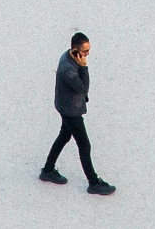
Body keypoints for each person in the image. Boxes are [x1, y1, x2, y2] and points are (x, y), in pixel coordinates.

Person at [40, 32, 114, 195]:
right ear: (75, 50)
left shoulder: (67, 57)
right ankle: (93, 182)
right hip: (70, 111)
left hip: (65, 106)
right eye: (85, 51)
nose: (87, 54)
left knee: (64, 136)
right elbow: (82, 88)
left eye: (88, 50)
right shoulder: (69, 70)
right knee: (84, 145)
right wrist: (84, 67)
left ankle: (48, 170)